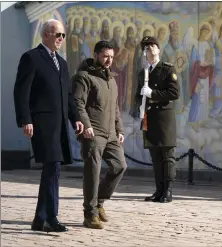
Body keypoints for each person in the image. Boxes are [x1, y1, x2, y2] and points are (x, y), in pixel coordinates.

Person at [13, 19, 84, 232]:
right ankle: (50, 217)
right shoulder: (32, 58)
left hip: (60, 125)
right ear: (45, 35)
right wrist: (26, 119)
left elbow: (68, 96)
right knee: (52, 167)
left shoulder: (61, 63)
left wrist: (76, 118)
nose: (61, 39)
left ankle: (40, 218)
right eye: (58, 35)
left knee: (53, 169)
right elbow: (21, 92)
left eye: (63, 35)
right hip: (42, 123)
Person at [72, 40, 127, 229]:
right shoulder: (84, 76)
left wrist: (119, 130)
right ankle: (90, 215)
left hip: (111, 133)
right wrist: (86, 125)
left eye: (111, 57)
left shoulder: (111, 79)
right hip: (93, 132)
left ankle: (100, 201)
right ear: (96, 55)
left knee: (120, 166)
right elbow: (78, 102)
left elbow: (116, 108)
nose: (109, 60)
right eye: (105, 56)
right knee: (92, 173)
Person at [135, 36, 180, 203]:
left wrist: (152, 94)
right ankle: (159, 190)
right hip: (149, 118)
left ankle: (168, 190)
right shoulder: (143, 73)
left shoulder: (168, 69)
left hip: (164, 118)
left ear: (159, 49)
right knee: (155, 156)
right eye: (146, 47)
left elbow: (174, 93)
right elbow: (137, 96)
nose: (149, 49)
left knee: (167, 155)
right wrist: (141, 99)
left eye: (152, 46)